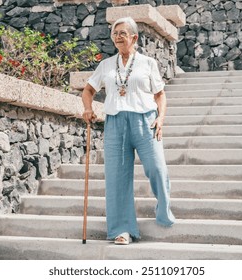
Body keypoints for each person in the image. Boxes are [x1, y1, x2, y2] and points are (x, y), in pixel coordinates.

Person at [82, 17, 175, 245]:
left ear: (134, 37)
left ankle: (163, 211)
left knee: (157, 168)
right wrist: (87, 108)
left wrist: (161, 119)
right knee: (116, 178)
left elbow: (160, 95)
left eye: (123, 33)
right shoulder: (105, 65)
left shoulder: (148, 63)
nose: (118, 37)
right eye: (115, 33)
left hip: (145, 121)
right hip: (115, 122)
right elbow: (88, 90)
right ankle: (122, 230)